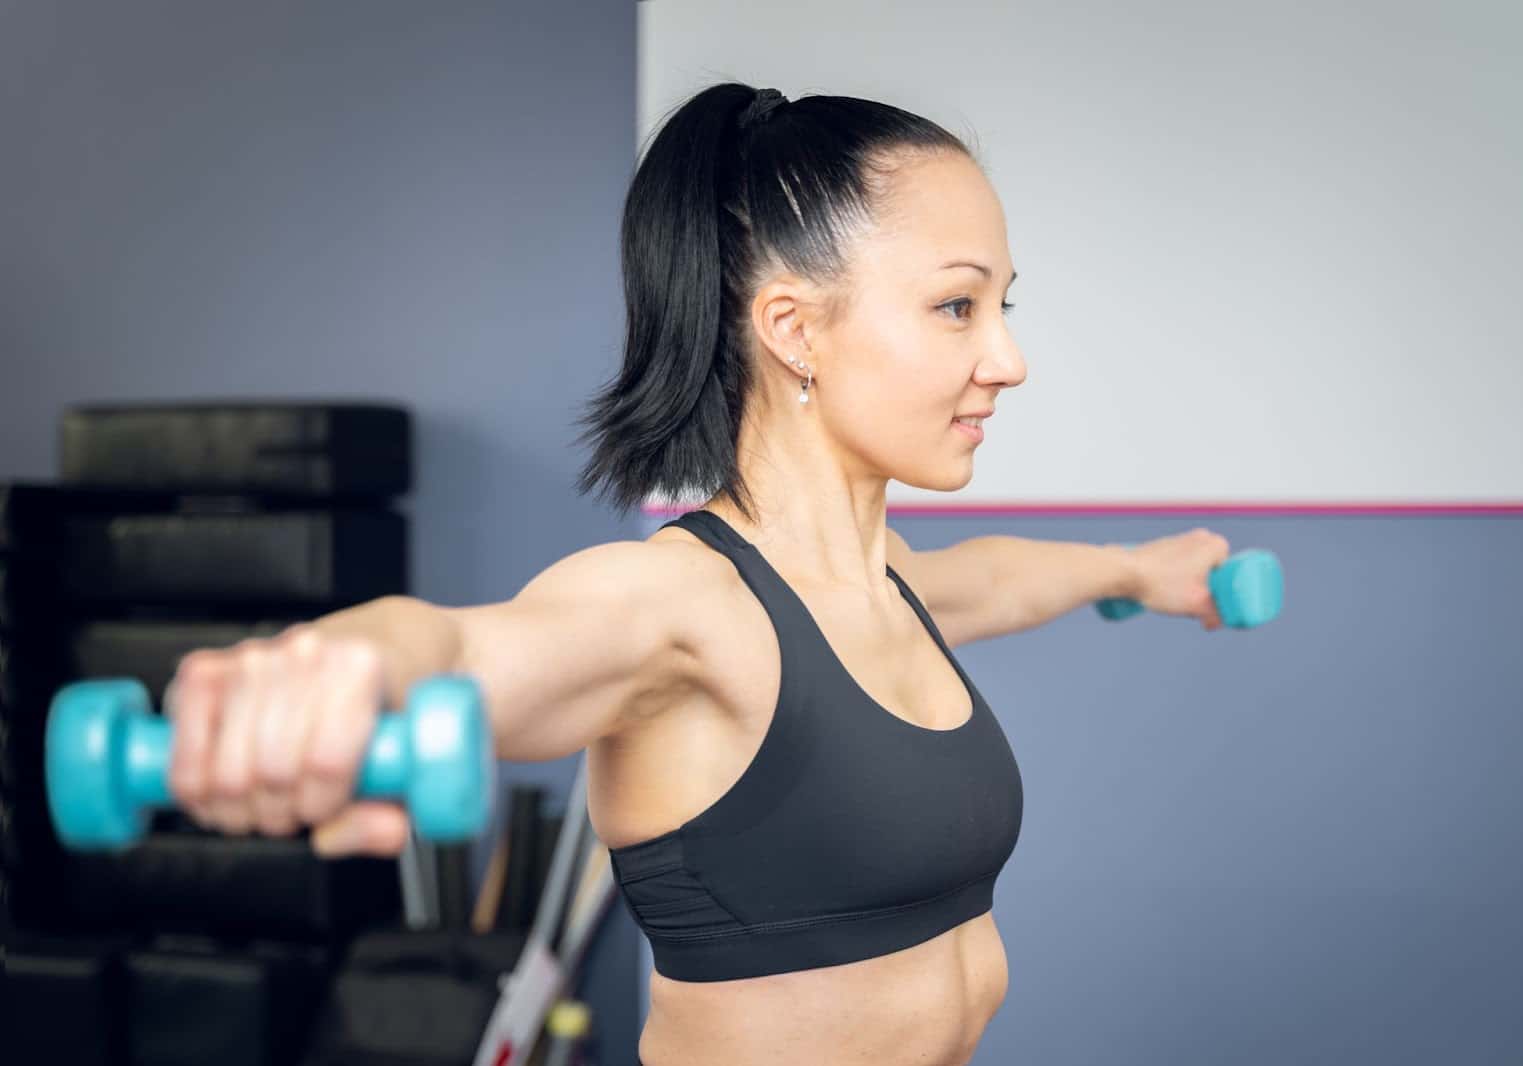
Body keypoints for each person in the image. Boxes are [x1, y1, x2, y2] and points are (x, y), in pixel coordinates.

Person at [164, 82, 1233, 1066]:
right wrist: (327, 669)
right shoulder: (685, 609)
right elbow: (465, 646)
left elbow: (993, 582)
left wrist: (1137, 570)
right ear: (792, 329)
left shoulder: (882, 581)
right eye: (958, 306)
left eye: (1005, 305)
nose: (1007, 358)